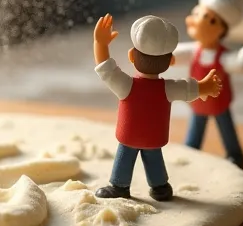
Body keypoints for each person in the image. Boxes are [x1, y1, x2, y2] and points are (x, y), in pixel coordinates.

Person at [93, 13, 222, 201]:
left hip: (129, 136)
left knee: (125, 157)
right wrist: (205, 87)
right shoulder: (167, 88)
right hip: (154, 136)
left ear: (131, 56)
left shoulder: (125, 84)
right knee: (154, 158)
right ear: (170, 61)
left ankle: (120, 187)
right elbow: (188, 88)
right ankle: (160, 187)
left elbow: (106, 69)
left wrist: (100, 44)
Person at [174, 0, 243, 169]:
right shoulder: (194, 51)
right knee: (195, 130)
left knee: (226, 129)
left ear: (218, 28)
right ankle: (192, 152)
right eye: (197, 13)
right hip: (198, 100)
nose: (193, 20)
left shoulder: (222, 56)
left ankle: (235, 155)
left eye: (205, 17)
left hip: (218, 102)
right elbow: (175, 54)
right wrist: (160, 56)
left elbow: (241, 64)